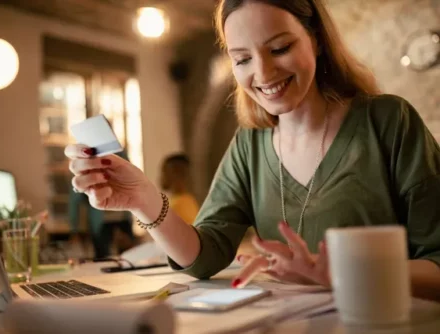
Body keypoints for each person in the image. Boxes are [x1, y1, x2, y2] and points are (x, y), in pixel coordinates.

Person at [65, 0, 440, 301]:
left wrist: (343, 275)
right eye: (242, 59)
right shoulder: (250, 145)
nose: (262, 73)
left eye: (279, 48)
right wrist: (144, 198)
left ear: (317, 40)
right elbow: (204, 256)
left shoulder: (388, 121)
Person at [68, 149, 134, 259]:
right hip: (101, 222)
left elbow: (131, 185)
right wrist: (74, 229)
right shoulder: (87, 161)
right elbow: (75, 202)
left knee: (130, 257)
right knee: (103, 257)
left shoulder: (120, 154)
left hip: (122, 219)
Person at [160, 154, 200, 225]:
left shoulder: (182, 204)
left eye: (164, 172)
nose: (161, 177)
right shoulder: (177, 201)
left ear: (174, 173)